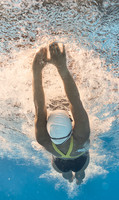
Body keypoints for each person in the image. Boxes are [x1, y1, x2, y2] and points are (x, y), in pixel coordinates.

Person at [32, 42, 90, 185]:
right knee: (79, 171)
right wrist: (60, 67)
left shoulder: (43, 138)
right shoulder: (80, 136)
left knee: (65, 173)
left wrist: (36, 70)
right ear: (72, 125)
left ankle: (70, 177)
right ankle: (78, 177)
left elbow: (40, 107)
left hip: (62, 163)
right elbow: (74, 100)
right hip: (74, 159)